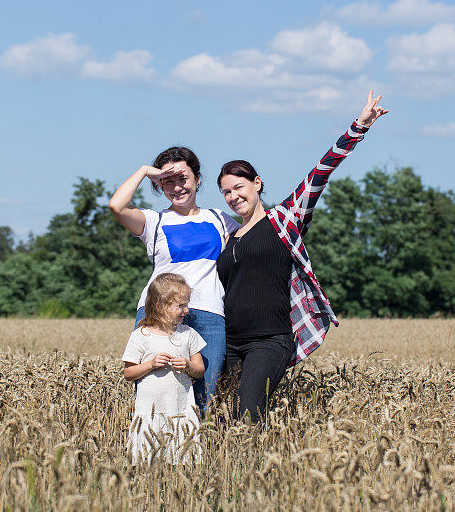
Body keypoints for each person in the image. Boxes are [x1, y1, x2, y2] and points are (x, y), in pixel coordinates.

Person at [216, 90, 388, 423]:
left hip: (269, 340)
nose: (234, 196)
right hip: (230, 343)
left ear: (257, 183)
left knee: (245, 416)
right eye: (226, 191)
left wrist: (358, 127)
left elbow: (321, 172)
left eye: (240, 187)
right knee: (220, 420)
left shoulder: (284, 218)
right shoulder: (227, 236)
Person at [109, 147, 239, 411]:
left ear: (198, 179)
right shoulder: (153, 221)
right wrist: (145, 171)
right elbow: (116, 205)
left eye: (183, 178)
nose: (177, 187)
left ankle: (194, 452)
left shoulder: (219, 219)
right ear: (159, 184)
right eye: (168, 180)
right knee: (154, 393)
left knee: (204, 398)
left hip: (209, 312)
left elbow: (254, 241)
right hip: (158, 311)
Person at [122, 273, 206, 464]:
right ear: (160, 306)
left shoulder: (188, 334)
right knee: (148, 458)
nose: (186, 310)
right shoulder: (141, 335)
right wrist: (150, 364)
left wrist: (187, 365)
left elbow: (199, 370)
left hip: (181, 407)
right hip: (150, 408)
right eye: (180, 306)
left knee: (183, 456)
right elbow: (128, 373)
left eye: (187, 304)